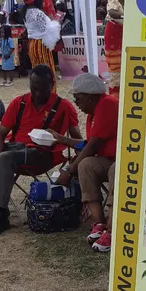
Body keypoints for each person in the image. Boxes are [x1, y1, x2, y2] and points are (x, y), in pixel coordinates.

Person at [0, 64, 81, 238]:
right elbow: (0, 134)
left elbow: (78, 139)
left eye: (43, 89)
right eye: (34, 89)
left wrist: (73, 161)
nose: (38, 94)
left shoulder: (63, 106)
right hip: (13, 149)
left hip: (42, 154)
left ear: (52, 85)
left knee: (5, 158)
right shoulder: (20, 102)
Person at [50, 73, 118, 253]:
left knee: (115, 171)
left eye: (77, 98)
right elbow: (89, 144)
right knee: (86, 165)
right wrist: (61, 139)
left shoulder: (107, 105)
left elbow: (93, 145)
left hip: (121, 161)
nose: (75, 102)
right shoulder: (93, 112)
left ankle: (112, 231)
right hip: (108, 158)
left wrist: (69, 171)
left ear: (90, 96)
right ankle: (99, 223)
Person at [22, 0, 60, 91]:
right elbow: (45, 30)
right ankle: (51, 93)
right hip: (41, 45)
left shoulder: (25, 12)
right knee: (47, 70)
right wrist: (55, 23)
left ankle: (38, 92)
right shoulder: (38, 13)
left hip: (32, 44)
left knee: (37, 70)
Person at [103, 0, 123, 97]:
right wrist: (127, 16)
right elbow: (112, 12)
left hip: (125, 34)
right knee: (116, 73)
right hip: (114, 37)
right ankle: (115, 100)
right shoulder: (114, 1)